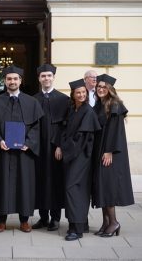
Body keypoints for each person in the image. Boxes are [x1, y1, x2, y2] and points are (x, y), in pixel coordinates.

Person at [0, 65, 44, 233]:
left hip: (24, 153)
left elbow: (37, 127)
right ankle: (2, 220)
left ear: (20, 80)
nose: (12, 81)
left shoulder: (32, 102)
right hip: (3, 152)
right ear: (4, 81)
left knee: (24, 185)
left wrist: (30, 142)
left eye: (15, 79)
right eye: (9, 79)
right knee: (1, 184)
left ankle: (24, 220)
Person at [92, 74, 134, 237]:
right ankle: (106, 222)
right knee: (102, 187)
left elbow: (115, 132)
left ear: (110, 89)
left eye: (104, 87)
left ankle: (114, 222)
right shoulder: (99, 104)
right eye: (99, 87)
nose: (101, 89)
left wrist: (109, 151)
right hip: (100, 150)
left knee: (107, 187)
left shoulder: (115, 105)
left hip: (109, 153)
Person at [61, 78, 100, 241]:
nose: (82, 95)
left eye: (84, 92)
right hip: (73, 156)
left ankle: (75, 229)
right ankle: (81, 223)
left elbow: (81, 138)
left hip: (81, 157)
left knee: (73, 189)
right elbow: (65, 129)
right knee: (78, 190)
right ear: (73, 95)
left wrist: (66, 149)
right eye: (78, 92)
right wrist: (61, 145)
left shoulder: (88, 112)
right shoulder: (72, 109)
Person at [32, 64, 69, 231]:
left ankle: (55, 218)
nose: (46, 78)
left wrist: (60, 145)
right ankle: (43, 217)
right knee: (40, 181)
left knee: (54, 182)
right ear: (39, 78)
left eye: (49, 76)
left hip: (55, 148)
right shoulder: (33, 100)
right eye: (43, 76)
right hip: (38, 148)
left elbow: (66, 126)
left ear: (53, 77)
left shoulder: (64, 99)